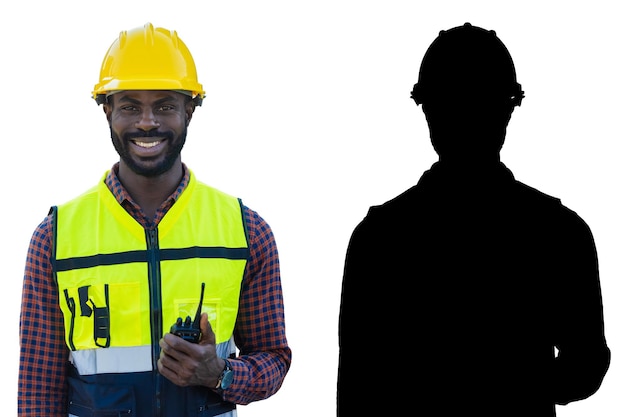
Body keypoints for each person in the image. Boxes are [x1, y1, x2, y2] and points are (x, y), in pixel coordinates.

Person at [18, 22, 291, 417]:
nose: (147, 122)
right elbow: (37, 391)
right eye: (130, 105)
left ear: (190, 111)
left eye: (165, 105)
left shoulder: (246, 231)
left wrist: (221, 375)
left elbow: (274, 359)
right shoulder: (55, 239)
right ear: (107, 110)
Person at [337, 23, 610, 416]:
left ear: (427, 109)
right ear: (509, 106)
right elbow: (585, 368)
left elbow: (357, 391)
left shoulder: (378, 236)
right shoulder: (560, 230)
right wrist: (515, 380)